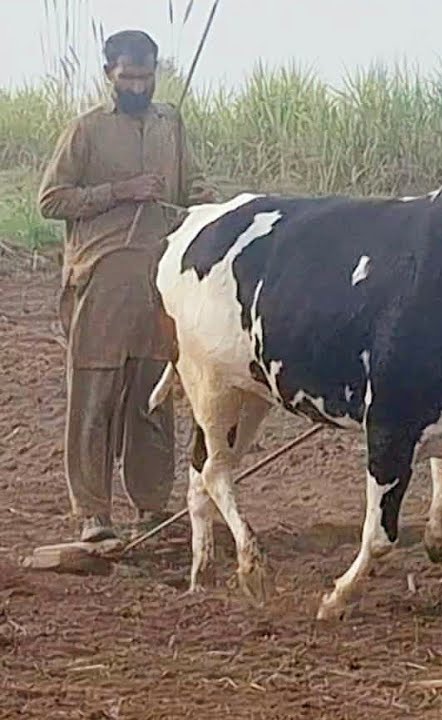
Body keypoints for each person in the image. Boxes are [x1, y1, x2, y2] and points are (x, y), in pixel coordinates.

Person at [37, 29, 216, 543]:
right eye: (128, 76)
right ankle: (92, 512)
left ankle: (152, 508)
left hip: (161, 283)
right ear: (108, 74)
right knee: (94, 398)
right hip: (101, 283)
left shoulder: (171, 124)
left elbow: (192, 184)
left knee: (152, 400)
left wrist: (210, 202)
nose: (138, 85)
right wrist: (121, 192)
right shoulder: (86, 131)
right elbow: (52, 200)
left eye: (146, 75)